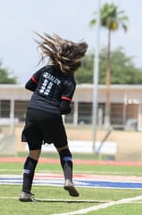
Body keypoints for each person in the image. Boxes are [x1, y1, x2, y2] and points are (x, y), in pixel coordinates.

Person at [19, 32, 88, 202]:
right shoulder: (70, 81)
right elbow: (63, 108)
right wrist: (60, 107)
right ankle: (68, 180)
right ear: (73, 62)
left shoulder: (46, 69)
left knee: (33, 154)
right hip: (50, 114)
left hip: (33, 110)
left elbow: (29, 85)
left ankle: (25, 192)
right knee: (63, 149)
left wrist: (42, 95)